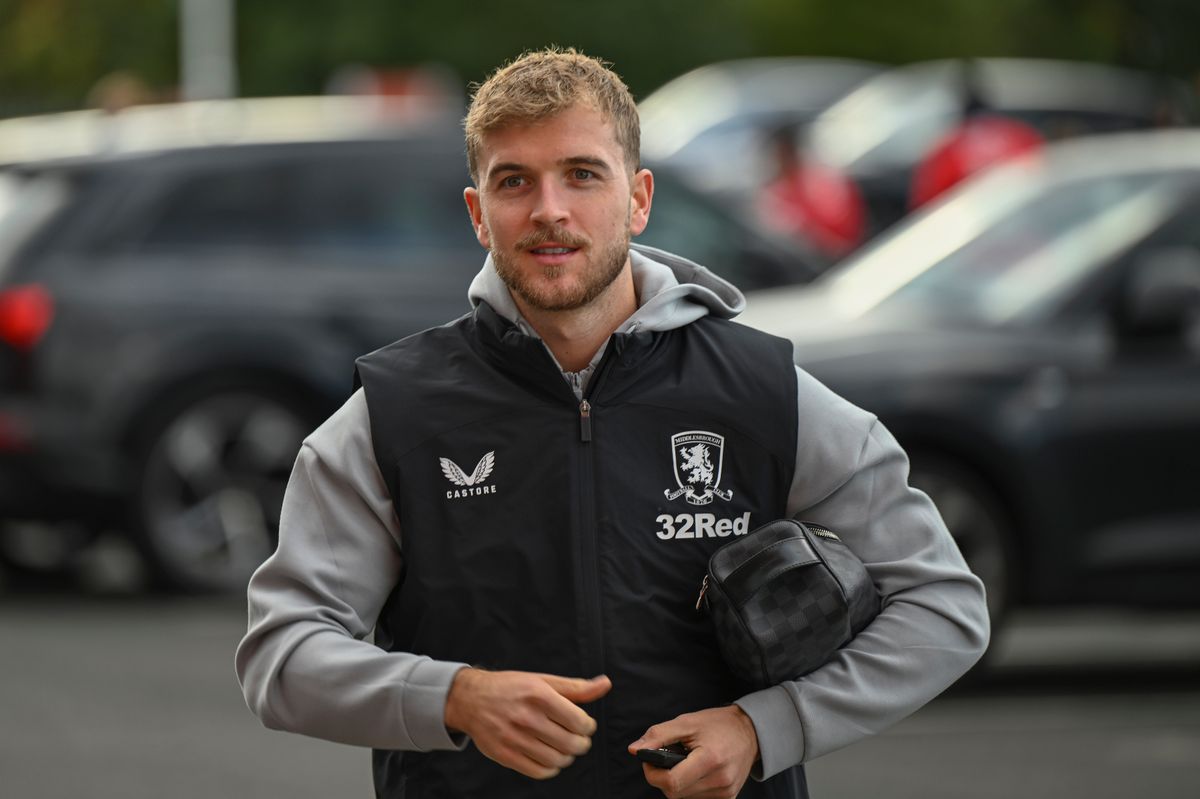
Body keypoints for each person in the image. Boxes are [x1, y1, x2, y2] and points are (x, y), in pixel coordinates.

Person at [236, 47, 990, 799]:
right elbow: (281, 655)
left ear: (638, 198)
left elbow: (943, 606)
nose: (549, 209)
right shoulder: (395, 411)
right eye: (513, 181)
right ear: (477, 213)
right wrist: (453, 696)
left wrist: (767, 726)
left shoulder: (765, 393)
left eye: (582, 174)